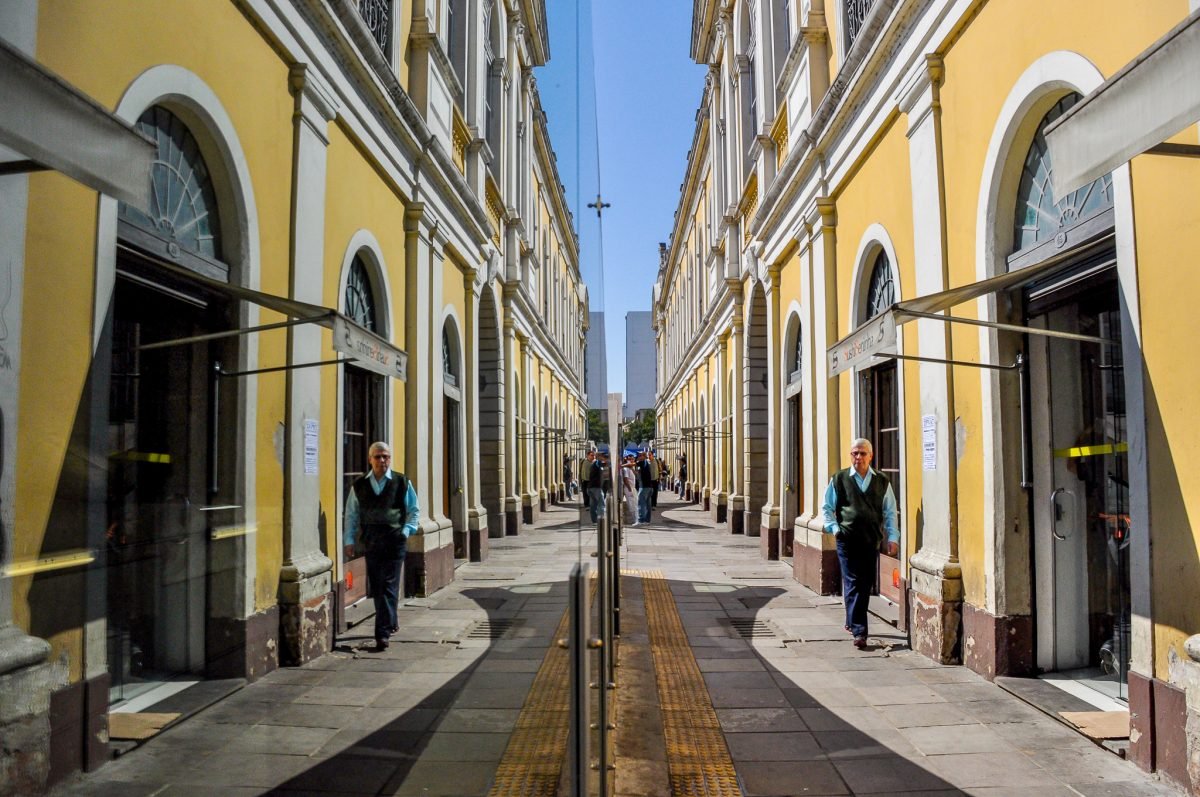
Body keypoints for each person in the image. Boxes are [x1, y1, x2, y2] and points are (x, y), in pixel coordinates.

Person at [821, 438, 898, 650]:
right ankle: (859, 631)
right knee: (854, 581)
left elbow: (890, 512)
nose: (858, 457)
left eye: (863, 453)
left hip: (870, 540)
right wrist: (835, 529)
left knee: (864, 583)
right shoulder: (839, 479)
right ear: (850, 455)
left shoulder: (882, 481)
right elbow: (827, 507)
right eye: (855, 453)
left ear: (870, 456)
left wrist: (893, 538)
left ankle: (851, 619)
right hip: (847, 539)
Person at [344, 441, 420, 652]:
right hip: (372, 542)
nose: (382, 460)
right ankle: (391, 619)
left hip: (395, 541)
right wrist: (349, 540)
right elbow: (351, 514)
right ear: (370, 459)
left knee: (389, 584)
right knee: (378, 586)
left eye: (385, 456)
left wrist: (406, 531)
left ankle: (382, 634)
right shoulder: (359, 486)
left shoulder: (401, 481)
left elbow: (414, 510)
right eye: (377, 457)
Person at [586, 450, 606, 524]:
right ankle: (601, 520)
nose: (604, 457)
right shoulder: (597, 463)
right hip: (596, 487)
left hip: (592, 487)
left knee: (593, 505)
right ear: (599, 457)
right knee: (601, 503)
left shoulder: (596, 463)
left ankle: (594, 521)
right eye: (603, 456)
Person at [636, 451, 654, 524]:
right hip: (649, 487)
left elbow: (632, 464)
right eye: (638, 456)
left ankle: (641, 520)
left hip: (644, 487)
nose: (638, 457)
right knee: (648, 504)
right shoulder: (646, 463)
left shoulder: (643, 462)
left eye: (640, 456)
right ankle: (647, 520)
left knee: (641, 503)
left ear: (643, 456)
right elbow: (638, 474)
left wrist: (622, 465)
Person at [621, 455, 638, 525]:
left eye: (632, 459)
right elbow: (625, 479)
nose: (631, 460)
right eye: (630, 459)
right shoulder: (626, 469)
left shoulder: (631, 467)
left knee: (635, 503)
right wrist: (630, 489)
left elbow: (636, 474)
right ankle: (633, 520)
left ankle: (635, 519)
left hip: (632, 487)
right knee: (631, 504)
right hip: (629, 488)